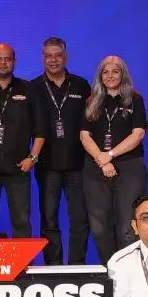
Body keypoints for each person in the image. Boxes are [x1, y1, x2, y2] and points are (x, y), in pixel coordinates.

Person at [80, 55, 148, 263]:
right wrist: (102, 160)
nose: (110, 76)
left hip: (129, 168)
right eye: (106, 72)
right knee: (99, 227)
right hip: (96, 168)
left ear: (123, 74)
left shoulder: (135, 99)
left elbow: (138, 135)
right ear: (100, 76)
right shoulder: (91, 101)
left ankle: (128, 271)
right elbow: (84, 136)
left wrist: (109, 155)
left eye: (115, 71)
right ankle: (110, 270)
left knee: (127, 227)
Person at [0, 43, 45, 237]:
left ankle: (24, 259)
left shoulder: (29, 89)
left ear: (14, 61)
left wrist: (33, 158)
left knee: (21, 221)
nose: (3, 63)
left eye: (7, 59)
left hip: (19, 167)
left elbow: (40, 130)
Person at [34, 37, 92, 264]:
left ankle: (77, 267)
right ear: (43, 58)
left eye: (58, 55)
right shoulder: (33, 87)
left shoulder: (81, 85)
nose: (53, 60)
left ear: (65, 57)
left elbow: (93, 121)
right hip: (46, 165)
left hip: (78, 163)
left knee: (80, 219)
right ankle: (53, 268)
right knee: (49, 220)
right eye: (48, 56)